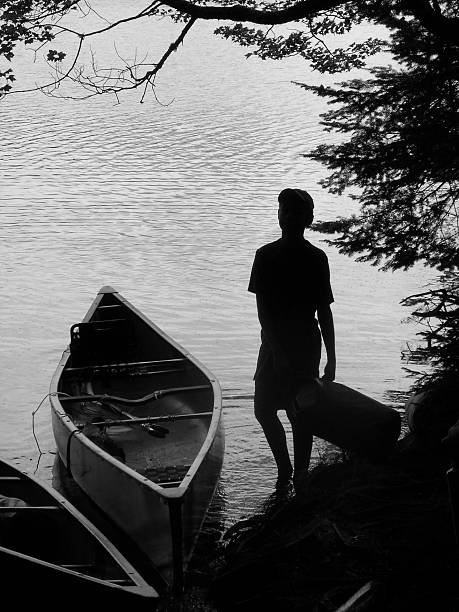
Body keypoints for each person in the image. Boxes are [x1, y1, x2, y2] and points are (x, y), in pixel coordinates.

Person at [248, 188, 336, 487]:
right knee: (263, 408)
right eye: (286, 210)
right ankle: (284, 469)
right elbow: (263, 313)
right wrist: (277, 352)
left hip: (305, 345)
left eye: (297, 211)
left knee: (301, 412)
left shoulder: (316, 258)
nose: (290, 215)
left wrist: (332, 358)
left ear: (309, 219)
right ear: (279, 216)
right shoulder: (265, 256)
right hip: (273, 343)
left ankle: (300, 474)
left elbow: (324, 311)